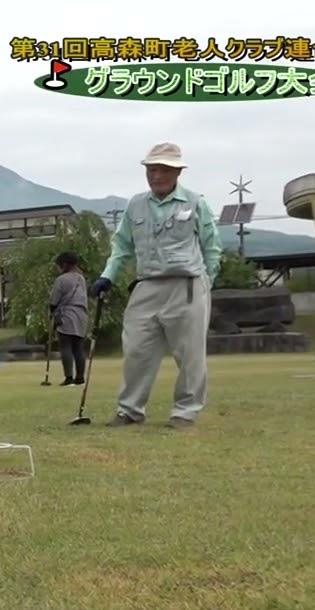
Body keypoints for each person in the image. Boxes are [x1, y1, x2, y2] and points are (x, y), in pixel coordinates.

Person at [90, 142, 223, 429]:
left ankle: (185, 412)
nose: (157, 175)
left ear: (178, 172)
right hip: (147, 284)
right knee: (136, 348)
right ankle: (130, 410)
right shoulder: (135, 204)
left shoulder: (195, 202)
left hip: (187, 284)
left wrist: (205, 282)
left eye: (163, 169)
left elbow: (212, 247)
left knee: (190, 353)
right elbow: (121, 245)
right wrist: (108, 276)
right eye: (152, 169)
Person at [49, 251, 89, 386]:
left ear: (65, 265)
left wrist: (52, 312)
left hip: (66, 314)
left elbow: (54, 300)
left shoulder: (61, 280)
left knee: (65, 346)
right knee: (78, 347)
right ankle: (80, 377)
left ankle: (69, 377)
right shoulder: (81, 278)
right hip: (81, 314)